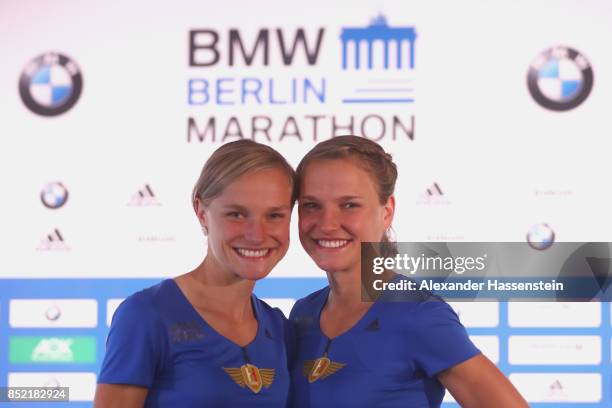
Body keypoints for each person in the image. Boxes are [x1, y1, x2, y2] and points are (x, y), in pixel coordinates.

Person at [289, 136, 528, 407]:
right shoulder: (303, 313)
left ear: (387, 211)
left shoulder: (419, 315)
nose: (327, 224)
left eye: (349, 205)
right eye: (311, 205)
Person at [94, 140, 296, 407]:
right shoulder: (147, 315)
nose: (256, 235)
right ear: (201, 212)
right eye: (236, 214)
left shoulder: (279, 327)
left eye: (274, 216)